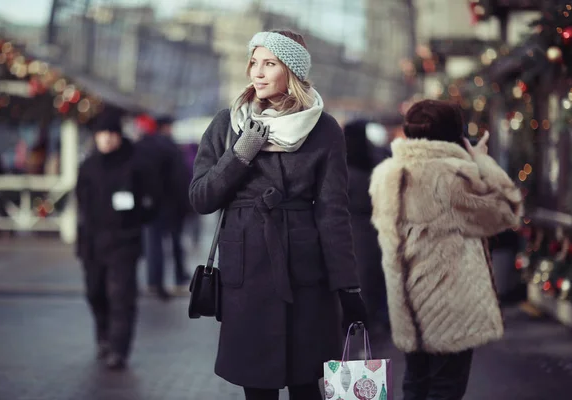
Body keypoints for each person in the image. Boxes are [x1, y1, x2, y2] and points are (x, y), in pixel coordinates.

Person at [189, 30, 368, 400]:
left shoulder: (323, 129)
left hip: (304, 273)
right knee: (257, 387)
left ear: (292, 71)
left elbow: (334, 213)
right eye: (254, 62)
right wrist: (240, 155)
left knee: (307, 386)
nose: (257, 72)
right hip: (246, 272)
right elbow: (201, 197)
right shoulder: (228, 124)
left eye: (269, 63)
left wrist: (347, 286)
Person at [369, 99, 523, 400]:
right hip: (449, 307)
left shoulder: (386, 175)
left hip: (407, 305)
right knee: (445, 389)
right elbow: (508, 210)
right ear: (456, 133)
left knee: (416, 383)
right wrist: (481, 161)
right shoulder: (452, 177)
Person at [75, 111, 159, 370]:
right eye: (102, 134)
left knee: (121, 296)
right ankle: (103, 335)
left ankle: (119, 348)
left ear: (119, 135)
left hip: (124, 241)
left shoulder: (135, 163)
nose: (107, 139)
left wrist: (134, 220)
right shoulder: (88, 165)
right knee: (94, 292)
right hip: (92, 241)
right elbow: (80, 200)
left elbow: (153, 198)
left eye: (112, 134)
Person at [344, 120, 391, 340]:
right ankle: (374, 326)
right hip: (375, 230)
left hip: (351, 231)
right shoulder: (377, 162)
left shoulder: (343, 168)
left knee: (356, 282)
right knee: (373, 281)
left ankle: (357, 329)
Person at [135, 114, 191, 300]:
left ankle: (154, 280)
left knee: (153, 243)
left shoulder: (142, 147)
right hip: (171, 203)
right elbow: (180, 177)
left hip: (151, 202)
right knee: (174, 242)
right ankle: (178, 275)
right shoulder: (170, 147)